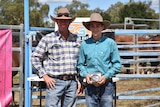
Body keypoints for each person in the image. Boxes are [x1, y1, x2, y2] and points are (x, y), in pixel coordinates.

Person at [31, 7, 83, 107]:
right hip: (55, 81)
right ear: (57, 22)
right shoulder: (48, 39)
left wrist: (80, 80)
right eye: (60, 21)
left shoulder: (77, 39)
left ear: (69, 23)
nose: (63, 23)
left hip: (72, 81)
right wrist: (44, 76)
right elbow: (35, 57)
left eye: (66, 21)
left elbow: (80, 61)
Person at [77, 13, 122, 107]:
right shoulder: (84, 44)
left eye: (98, 26)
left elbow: (117, 64)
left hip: (107, 84)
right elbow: (80, 64)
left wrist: (106, 76)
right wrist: (86, 74)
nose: (95, 28)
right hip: (90, 85)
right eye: (92, 26)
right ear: (89, 28)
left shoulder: (110, 43)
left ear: (102, 27)